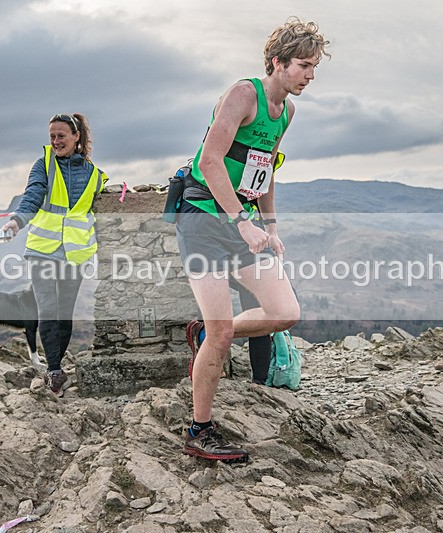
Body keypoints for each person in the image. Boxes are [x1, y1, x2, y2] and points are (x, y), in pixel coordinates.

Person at [177, 18, 330, 462]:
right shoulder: (245, 94)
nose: (310, 75)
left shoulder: (287, 112)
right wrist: (242, 220)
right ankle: (199, 431)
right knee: (223, 335)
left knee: (285, 312)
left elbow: (265, 172)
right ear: (278, 62)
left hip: (241, 219)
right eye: (304, 65)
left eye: (315, 67)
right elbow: (209, 161)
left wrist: (272, 226)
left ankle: (206, 333)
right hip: (204, 216)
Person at [2, 113, 108, 397]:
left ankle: (56, 363)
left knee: (64, 313)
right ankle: (54, 370)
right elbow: (33, 195)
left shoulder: (95, 175)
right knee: (47, 309)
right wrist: (17, 221)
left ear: (77, 137)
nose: (56, 141)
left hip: (75, 254)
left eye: (61, 135)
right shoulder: (43, 165)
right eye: (52, 136)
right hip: (42, 250)